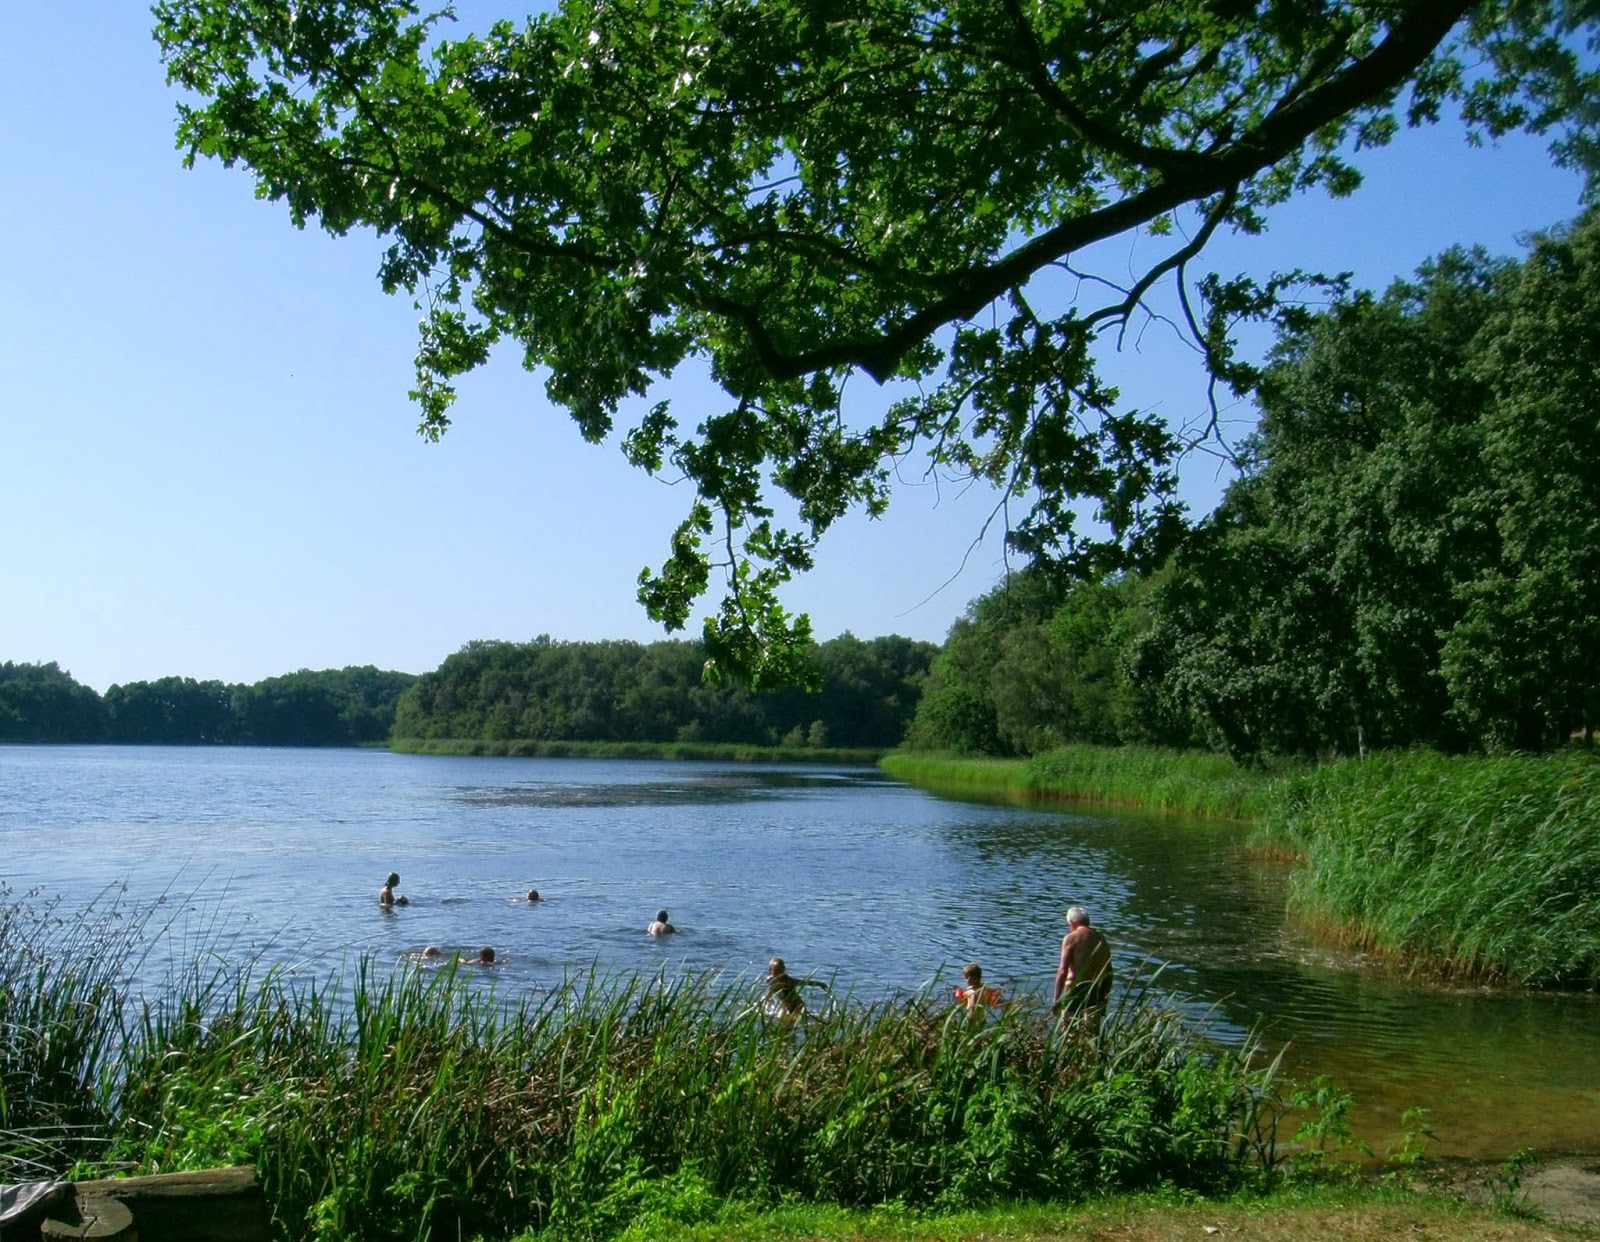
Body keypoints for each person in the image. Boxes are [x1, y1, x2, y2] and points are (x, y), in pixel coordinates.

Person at [1054, 905, 1113, 1032]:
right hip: (1095, 990)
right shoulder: (1101, 939)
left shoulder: (1071, 938)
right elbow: (1109, 971)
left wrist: (1056, 999)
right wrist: (1105, 997)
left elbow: (1062, 970)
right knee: (1091, 1032)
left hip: (1075, 990)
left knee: (1069, 1032)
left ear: (1072, 923)